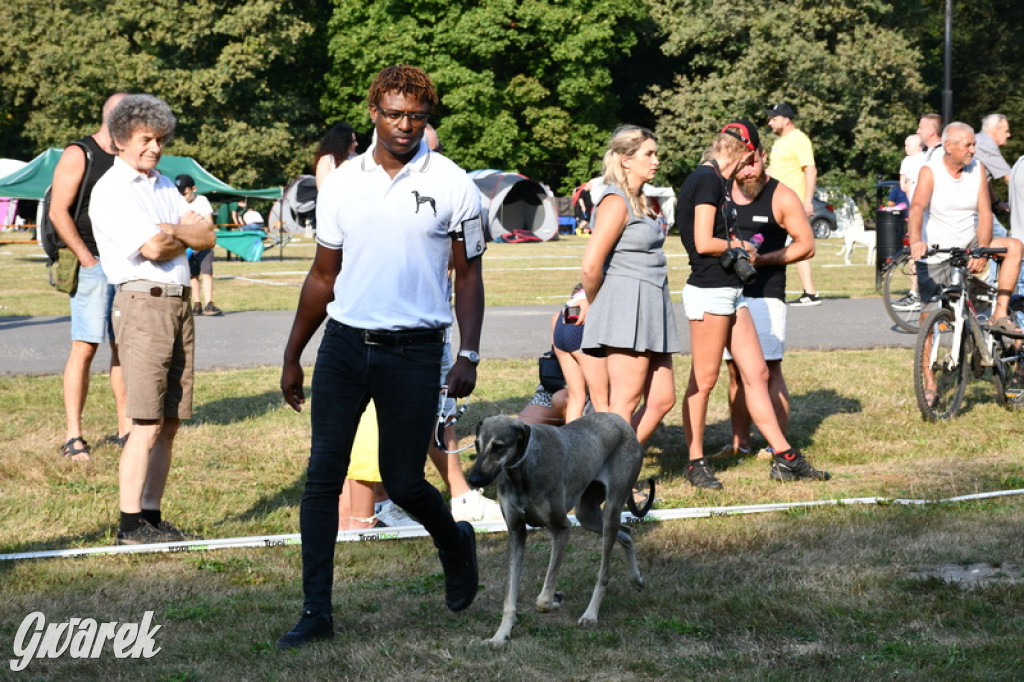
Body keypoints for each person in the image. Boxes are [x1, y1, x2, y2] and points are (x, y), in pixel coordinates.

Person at [277, 65, 485, 649]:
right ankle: (316, 611)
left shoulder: (454, 184)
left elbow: (468, 277)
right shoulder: (341, 182)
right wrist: (294, 353)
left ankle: (453, 541)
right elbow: (323, 275)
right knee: (322, 478)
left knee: (404, 479)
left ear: (427, 118)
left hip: (416, 351)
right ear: (374, 112)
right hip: (344, 345)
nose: (404, 125)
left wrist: (467, 352)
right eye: (394, 113)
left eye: (416, 116)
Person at [89, 94, 216, 544]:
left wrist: (172, 230)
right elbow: (153, 249)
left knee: (171, 419)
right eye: (146, 139)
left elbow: (206, 233)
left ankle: (151, 515)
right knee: (144, 421)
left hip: (180, 304)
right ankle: (129, 526)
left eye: (160, 139)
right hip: (143, 304)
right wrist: (179, 233)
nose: (155, 148)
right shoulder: (111, 190)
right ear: (122, 140)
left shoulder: (162, 185)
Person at [677, 119, 829, 489]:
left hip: (732, 293)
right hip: (709, 291)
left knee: (757, 374)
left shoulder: (720, 182)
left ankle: (785, 456)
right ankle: (695, 463)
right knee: (705, 379)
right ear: (746, 150)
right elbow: (700, 241)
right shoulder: (708, 179)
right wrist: (741, 247)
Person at [710, 145, 815, 460]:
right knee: (734, 371)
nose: (748, 170)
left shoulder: (780, 195)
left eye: (753, 162)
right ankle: (739, 443)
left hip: (766, 292)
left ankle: (775, 445)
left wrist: (764, 259)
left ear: (763, 157)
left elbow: (806, 245)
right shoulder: (721, 192)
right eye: (742, 165)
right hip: (727, 292)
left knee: (768, 370)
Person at [580, 125, 678, 446]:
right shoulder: (615, 201)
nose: (656, 161)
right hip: (626, 307)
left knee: (663, 399)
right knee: (625, 401)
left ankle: (614, 463)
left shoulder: (642, 199)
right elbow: (592, 264)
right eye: (648, 154)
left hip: (652, 305)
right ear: (625, 159)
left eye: (655, 153)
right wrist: (597, 303)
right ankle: (610, 477)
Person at [49, 92, 131, 460]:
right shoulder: (79, 153)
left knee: (123, 348)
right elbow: (58, 211)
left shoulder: (128, 158)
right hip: (92, 262)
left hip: (126, 264)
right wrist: (87, 259)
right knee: (85, 346)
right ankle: (73, 437)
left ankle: (126, 429)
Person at [909, 122, 1023, 355]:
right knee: (928, 316)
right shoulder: (930, 170)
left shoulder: (977, 168)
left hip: (969, 241)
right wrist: (916, 241)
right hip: (937, 248)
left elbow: (984, 211)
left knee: (1014, 246)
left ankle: (999, 314)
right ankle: (928, 377)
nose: (973, 150)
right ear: (948, 146)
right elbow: (917, 207)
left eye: (974, 145)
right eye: (967, 145)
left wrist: (981, 249)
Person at [765, 102, 821, 307]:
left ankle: (811, 293)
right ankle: (805, 291)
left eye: (774, 118)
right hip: (776, 201)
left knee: (799, 244)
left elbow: (810, 169)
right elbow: (774, 169)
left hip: (794, 201)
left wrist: (807, 200)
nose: (770, 122)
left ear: (786, 119)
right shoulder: (780, 141)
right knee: (781, 244)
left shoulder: (799, 139)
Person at [552, 283, 609, 421]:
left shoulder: (580, 293)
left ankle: (570, 442)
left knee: (576, 397)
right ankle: (608, 441)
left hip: (565, 316)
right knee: (601, 400)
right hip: (585, 318)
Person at [174, 174, 222, 317]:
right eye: (180, 194)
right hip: (187, 245)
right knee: (192, 275)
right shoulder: (177, 203)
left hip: (203, 243)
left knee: (207, 273)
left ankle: (209, 303)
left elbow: (209, 222)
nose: (183, 197)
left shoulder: (202, 201)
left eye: (186, 193)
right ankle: (196, 303)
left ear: (193, 188)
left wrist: (198, 226)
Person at [314, 122, 358, 189]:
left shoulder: (356, 158)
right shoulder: (326, 161)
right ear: (343, 143)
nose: (356, 144)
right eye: (353, 141)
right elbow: (322, 189)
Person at [899, 134, 927, 203]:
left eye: (908, 146)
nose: (906, 148)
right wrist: (902, 184)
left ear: (919, 147)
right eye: (906, 146)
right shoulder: (907, 160)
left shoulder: (925, 156)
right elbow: (903, 174)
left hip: (923, 183)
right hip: (911, 184)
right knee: (913, 202)